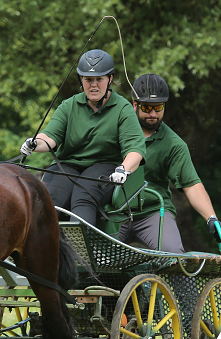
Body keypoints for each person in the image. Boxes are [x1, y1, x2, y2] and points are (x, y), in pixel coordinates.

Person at [20, 49, 146, 226]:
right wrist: (33, 143)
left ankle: (79, 252)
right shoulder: (69, 105)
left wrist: (123, 169)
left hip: (105, 167)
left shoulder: (123, 109)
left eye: (99, 79)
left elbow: (135, 150)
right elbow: (49, 137)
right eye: (88, 80)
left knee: (83, 198)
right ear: (81, 80)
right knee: (50, 200)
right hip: (68, 166)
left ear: (109, 79)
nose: (93, 85)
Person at [118, 73, 221, 253]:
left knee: (174, 257)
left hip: (153, 212)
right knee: (94, 260)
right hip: (115, 213)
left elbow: (191, 185)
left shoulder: (174, 144)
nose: (153, 114)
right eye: (146, 107)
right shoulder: (117, 130)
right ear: (135, 104)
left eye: (158, 107)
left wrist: (211, 218)